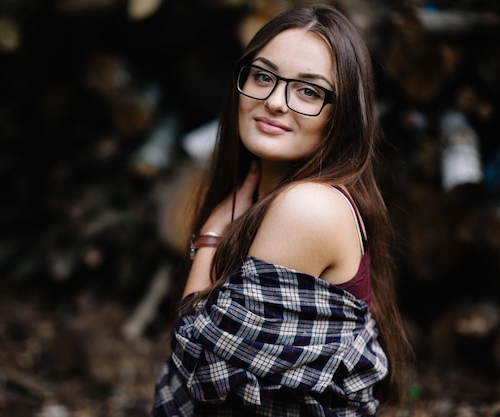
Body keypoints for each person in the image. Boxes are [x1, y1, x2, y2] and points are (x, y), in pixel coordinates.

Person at [152, 4, 411, 416]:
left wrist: (210, 239)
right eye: (263, 76)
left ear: (340, 116)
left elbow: (201, 366)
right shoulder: (273, 199)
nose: (274, 101)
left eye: (308, 91)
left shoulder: (307, 208)